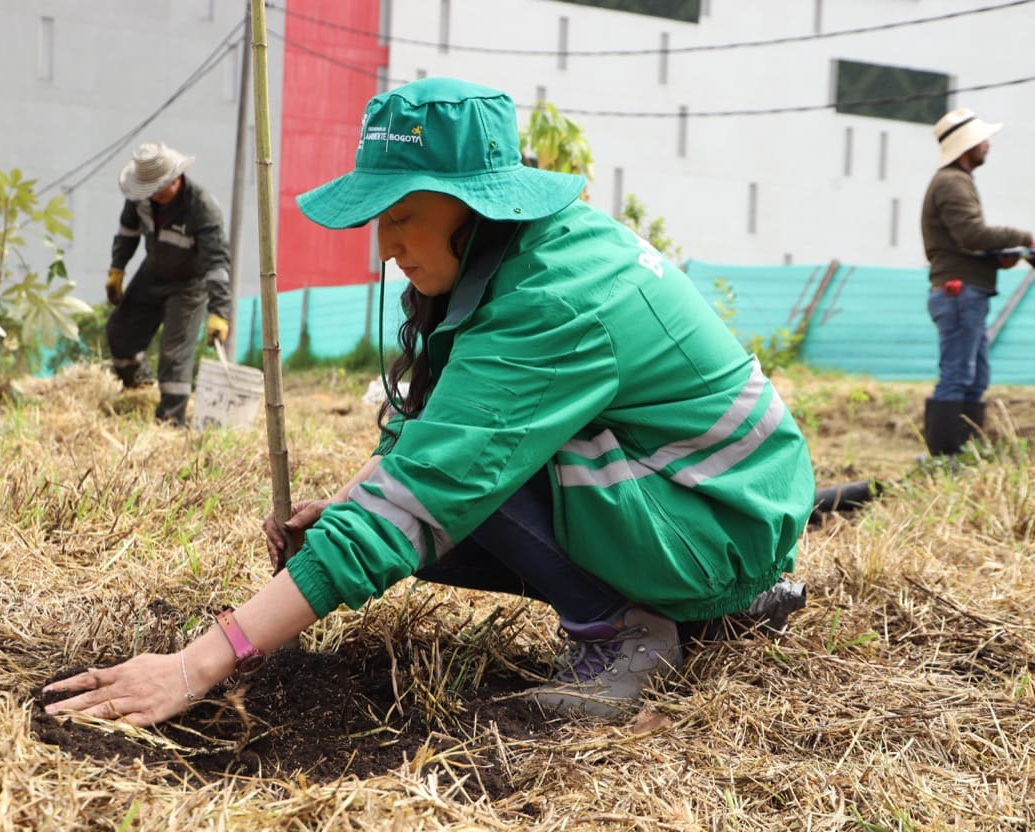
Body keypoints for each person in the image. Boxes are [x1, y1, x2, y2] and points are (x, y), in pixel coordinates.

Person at [45, 78, 815, 726]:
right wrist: (346, 504)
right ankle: (698, 604)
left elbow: (429, 483)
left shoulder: (555, 297)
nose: (385, 244)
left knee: (457, 479)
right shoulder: (517, 254)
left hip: (720, 520)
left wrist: (197, 662)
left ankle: (625, 632)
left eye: (403, 215)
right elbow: (424, 438)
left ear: (476, 204)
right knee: (423, 486)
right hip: (691, 494)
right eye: (380, 219)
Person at [920, 107, 1035, 456]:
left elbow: (963, 241)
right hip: (959, 294)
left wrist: (999, 255)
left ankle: (964, 451)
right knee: (957, 375)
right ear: (968, 145)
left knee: (975, 377)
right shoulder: (951, 182)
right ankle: (945, 457)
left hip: (966, 292)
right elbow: (971, 234)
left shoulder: (957, 180)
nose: (988, 145)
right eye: (983, 140)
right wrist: (1024, 237)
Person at [104, 142, 233, 426]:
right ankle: (137, 389)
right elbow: (127, 232)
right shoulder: (140, 198)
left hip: (189, 286)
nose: (152, 195)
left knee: (174, 355)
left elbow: (217, 265)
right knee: (120, 332)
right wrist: (117, 268)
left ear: (175, 180)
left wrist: (219, 313)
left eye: (157, 189)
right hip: (152, 273)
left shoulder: (202, 209)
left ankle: (171, 423)